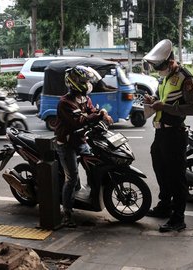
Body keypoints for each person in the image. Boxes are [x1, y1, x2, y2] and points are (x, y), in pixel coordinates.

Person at [143, 39, 193, 232]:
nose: (159, 70)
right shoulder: (165, 78)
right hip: (160, 133)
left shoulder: (186, 78)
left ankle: (178, 218)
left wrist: (164, 106)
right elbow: (163, 100)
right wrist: (154, 100)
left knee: (176, 177)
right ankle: (165, 205)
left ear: (171, 62)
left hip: (175, 135)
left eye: (161, 67)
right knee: (161, 171)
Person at [54, 65, 113, 227]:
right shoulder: (65, 103)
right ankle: (66, 213)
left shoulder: (84, 98)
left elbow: (92, 111)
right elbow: (78, 121)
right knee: (72, 178)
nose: (87, 83)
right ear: (74, 82)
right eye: (83, 80)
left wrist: (103, 115)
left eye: (87, 80)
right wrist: (98, 115)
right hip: (66, 143)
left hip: (81, 140)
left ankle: (88, 194)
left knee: (94, 167)